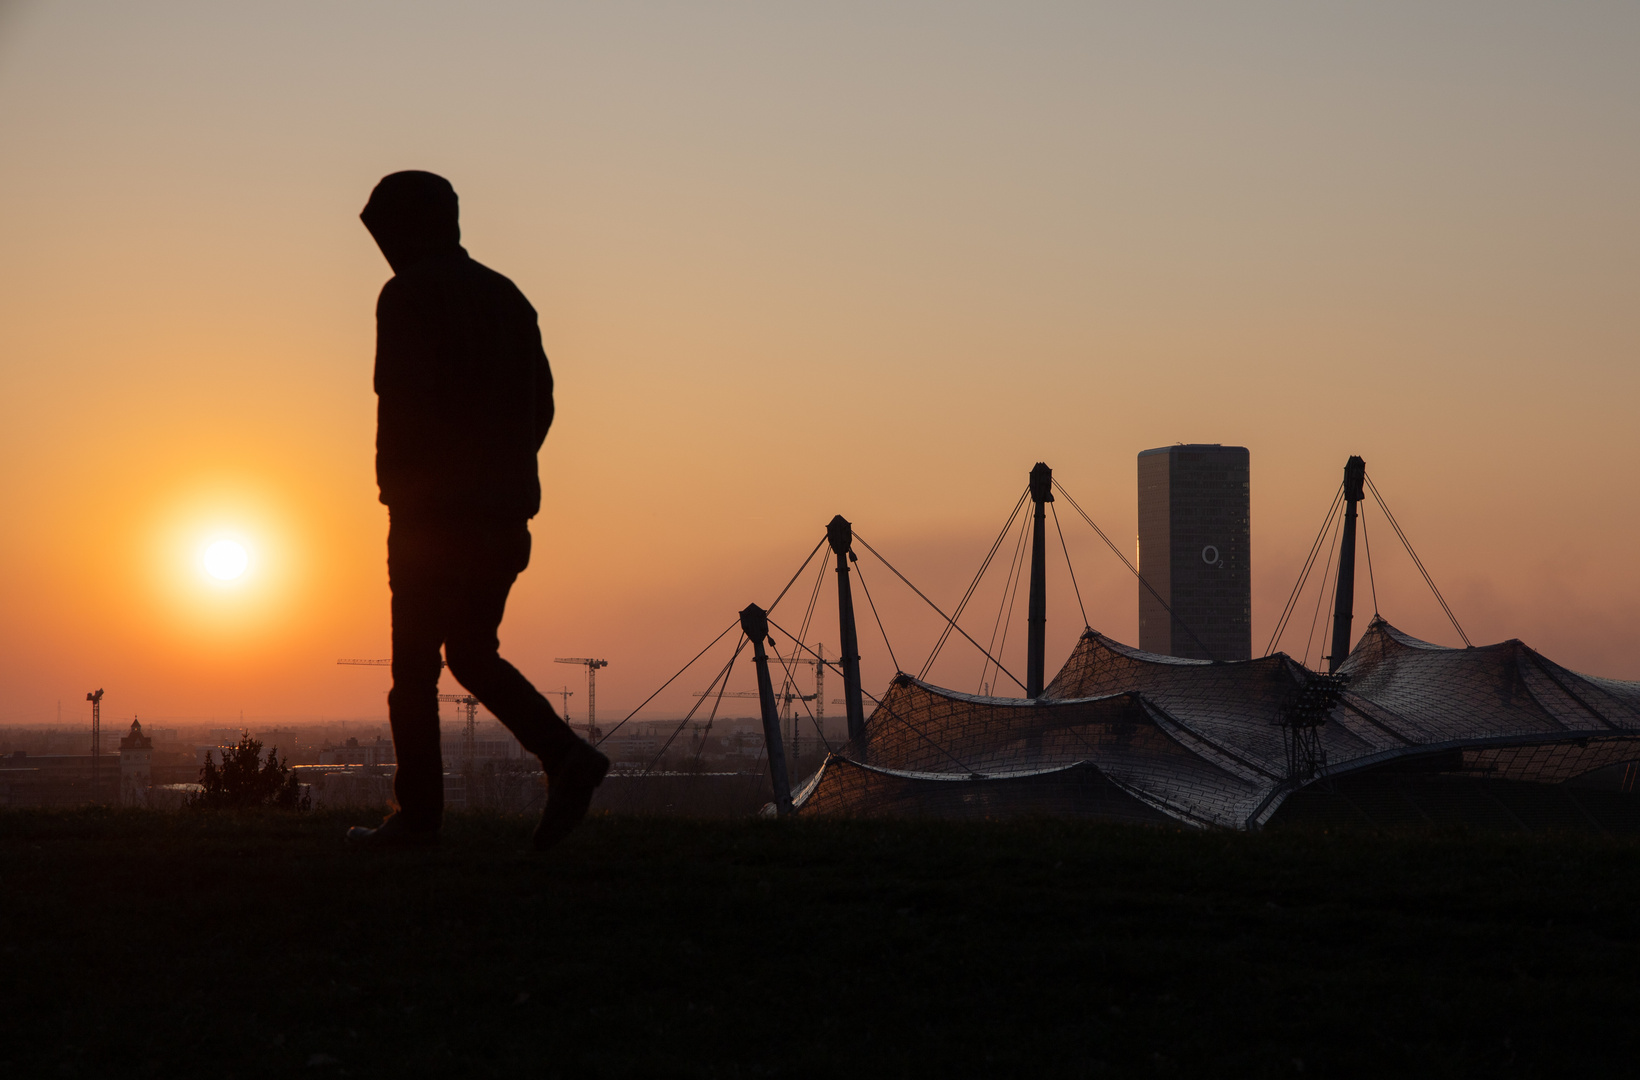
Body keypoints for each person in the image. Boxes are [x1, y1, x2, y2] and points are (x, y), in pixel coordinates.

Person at [346, 170, 608, 850]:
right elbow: (541, 404)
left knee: (414, 674)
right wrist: (505, 469)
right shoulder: (507, 298)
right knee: (470, 651)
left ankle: (420, 821)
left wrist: (400, 488)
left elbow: (399, 404)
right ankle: (567, 757)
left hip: (432, 517)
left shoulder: (407, 297)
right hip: (503, 514)